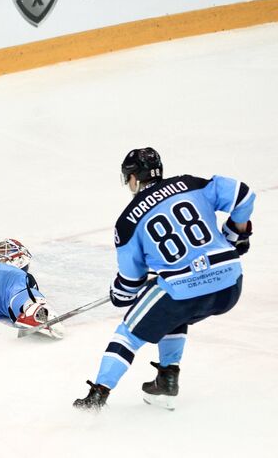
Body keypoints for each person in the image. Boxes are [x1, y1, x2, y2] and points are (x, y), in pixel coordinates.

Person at [73, 147, 255, 410]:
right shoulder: (191, 184)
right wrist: (237, 234)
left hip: (184, 289)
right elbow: (243, 194)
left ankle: (97, 397)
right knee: (171, 310)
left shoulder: (127, 221)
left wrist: (118, 294)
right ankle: (167, 379)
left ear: (134, 178)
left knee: (128, 334)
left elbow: (129, 285)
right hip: (230, 284)